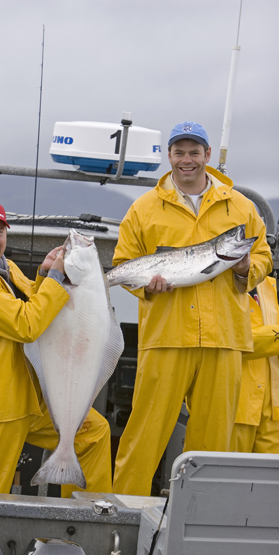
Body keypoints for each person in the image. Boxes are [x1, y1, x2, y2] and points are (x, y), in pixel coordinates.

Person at [112, 121, 273, 496]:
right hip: (166, 337)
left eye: (194, 152)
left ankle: (199, 524)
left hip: (225, 340)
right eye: (179, 152)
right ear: (169, 156)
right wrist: (146, 288)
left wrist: (248, 267)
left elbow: (262, 253)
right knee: (143, 436)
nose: (187, 160)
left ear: (207, 156)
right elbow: (125, 262)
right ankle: (121, 514)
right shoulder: (143, 209)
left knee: (214, 443)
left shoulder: (241, 206)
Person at [0, 199, 112, 496]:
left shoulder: (3, 268)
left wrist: (45, 274)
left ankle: (80, 523)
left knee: (94, 432)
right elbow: (27, 324)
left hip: (28, 397)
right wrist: (57, 277)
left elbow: (37, 301)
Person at [230, 276, 279, 453]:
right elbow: (228, 342)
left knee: (270, 478)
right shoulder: (215, 281)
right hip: (236, 405)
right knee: (228, 476)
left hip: (272, 409)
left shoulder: (269, 284)